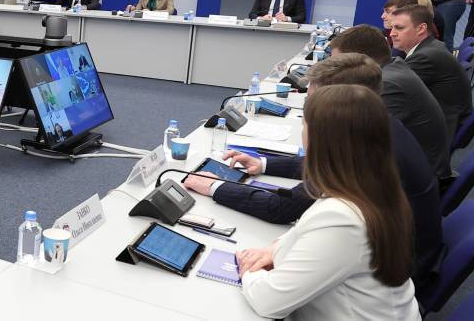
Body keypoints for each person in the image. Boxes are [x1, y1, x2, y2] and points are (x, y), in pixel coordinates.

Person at [185, 53, 443, 289]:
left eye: (312, 103)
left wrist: (214, 186)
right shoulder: (379, 127)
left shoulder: (362, 163)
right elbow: (317, 163)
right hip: (394, 263)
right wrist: (263, 164)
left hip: (397, 275)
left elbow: (280, 208)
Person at [236, 85, 422, 320]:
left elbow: (267, 301)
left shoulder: (342, 218)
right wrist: (273, 250)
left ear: (318, 140)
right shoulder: (373, 186)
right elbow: (305, 233)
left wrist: (250, 268)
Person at [329, 26, 452, 180]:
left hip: (411, 181)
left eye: (337, 65)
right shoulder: (392, 68)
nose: (333, 71)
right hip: (411, 170)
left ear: (360, 60)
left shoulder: (388, 85)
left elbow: (360, 144)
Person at [390, 4, 473, 141]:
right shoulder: (431, 47)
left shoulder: (426, 57)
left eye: (399, 28)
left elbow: (392, 87)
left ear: (421, 29)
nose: (392, 33)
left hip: (437, 132)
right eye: (392, 27)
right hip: (442, 118)